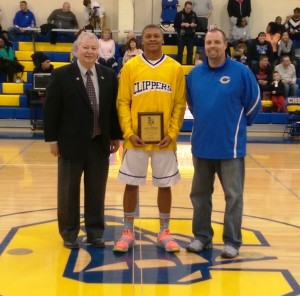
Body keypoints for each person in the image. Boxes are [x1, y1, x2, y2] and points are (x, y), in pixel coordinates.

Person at [186, 29, 261, 259]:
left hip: (231, 148)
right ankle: (201, 237)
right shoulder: (194, 74)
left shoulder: (241, 72)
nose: (212, 46)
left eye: (217, 42)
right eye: (208, 42)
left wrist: (233, 126)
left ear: (225, 45)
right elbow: (192, 104)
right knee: (199, 195)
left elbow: (254, 104)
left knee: (233, 196)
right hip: (201, 146)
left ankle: (231, 241)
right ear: (204, 45)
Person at [43, 31, 122, 249]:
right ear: (76, 49)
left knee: (97, 191)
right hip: (70, 143)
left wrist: (116, 136)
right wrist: (52, 140)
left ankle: (95, 232)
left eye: (93, 48)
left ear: (99, 51)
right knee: (68, 190)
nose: (89, 51)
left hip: (99, 143)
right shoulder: (61, 76)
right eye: (85, 47)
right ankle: (69, 233)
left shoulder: (107, 75)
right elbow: (51, 111)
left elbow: (111, 111)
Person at [114, 24, 186, 253]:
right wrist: (128, 132)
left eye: (157, 36)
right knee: (131, 183)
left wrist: (172, 133)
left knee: (165, 185)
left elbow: (179, 104)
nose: (153, 39)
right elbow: (123, 102)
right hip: (136, 139)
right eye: (148, 36)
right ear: (141, 40)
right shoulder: (130, 67)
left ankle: (164, 231)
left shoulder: (175, 68)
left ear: (163, 40)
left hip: (165, 140)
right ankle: (127, 231)